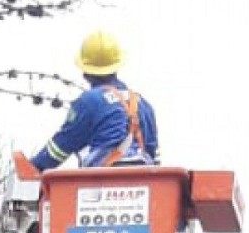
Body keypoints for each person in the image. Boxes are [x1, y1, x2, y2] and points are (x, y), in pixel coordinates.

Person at [29, 30, 160, 171]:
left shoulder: (88, 102)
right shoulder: (144, 105)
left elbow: (61, 147)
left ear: (85, 72)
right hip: (144, 180)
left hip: (99, 181)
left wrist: (33, 166)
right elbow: (153, 155)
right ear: (117, 66)